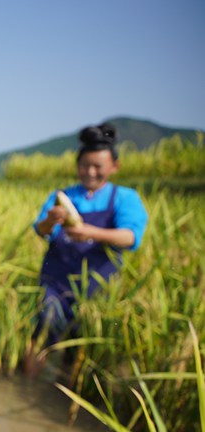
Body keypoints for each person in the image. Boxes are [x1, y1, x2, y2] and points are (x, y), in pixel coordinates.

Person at [24, 122, 148, 377]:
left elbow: (130, 236)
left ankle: (69, 392)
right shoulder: (62, 196)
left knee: (82, 348)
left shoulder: (124, 198)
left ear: (115, 166)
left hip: (97, 287)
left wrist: (91, 233)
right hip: (56, 282)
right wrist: (51, 220)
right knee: (42, 334)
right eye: (84, 166)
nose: (90, 172)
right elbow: (41, 230)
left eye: (97, 167)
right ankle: (30, 383)